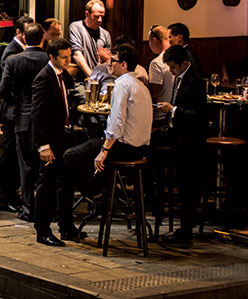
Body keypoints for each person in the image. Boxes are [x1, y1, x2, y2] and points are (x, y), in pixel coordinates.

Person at [65, 44, 152, 199]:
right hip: (141, 147)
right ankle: (106, 191)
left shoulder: (121, 84)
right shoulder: (141, 86)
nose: (109, 64)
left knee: (71, 156)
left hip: (124, 147)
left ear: (124, 65)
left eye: (113, 61)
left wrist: (104, 151)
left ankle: (96, 195)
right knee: (88, 146)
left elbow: (117, 122)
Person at [31, 37, 82, 246]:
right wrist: (43, 145)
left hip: (65, 135)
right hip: (50, 139)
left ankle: (66, 226)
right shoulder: (43, 78)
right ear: (52, 57)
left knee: (67, 183)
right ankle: (42, 230)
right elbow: (38, 114)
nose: (68, 61)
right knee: (47, 185)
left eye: (69, 56)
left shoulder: (64, 75)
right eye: (64, 57)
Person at [156, 44, 207, 245]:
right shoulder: (181, 77)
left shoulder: (195, 81)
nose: (171, 71)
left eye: (173, 67)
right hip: (177, 136)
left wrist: (173, 110)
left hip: (190, 141)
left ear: (184, 63)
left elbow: (199, 116)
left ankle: (186, 232)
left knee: (188, 186)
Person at [0, 22, 47, 222]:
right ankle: (41, 206)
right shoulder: (47, 59)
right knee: (42, 166)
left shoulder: (15, 60)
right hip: (42, 117)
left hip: (22, 116)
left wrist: (14, 102)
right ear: (42, 39)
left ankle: (28, 208)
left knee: (25, 164)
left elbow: (2, 89)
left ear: (25, 38)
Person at [68, 0, 111, 78]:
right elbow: (77, 54)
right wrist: (91, 76)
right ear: (87, 14)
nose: (100, 20)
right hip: (81, 79)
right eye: (96, 16)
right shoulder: (76, 27)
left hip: (100, 78)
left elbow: (108, 61)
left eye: (102, 17)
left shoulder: (105, 34)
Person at [146, 25, 173, 125]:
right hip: (173, 113)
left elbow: (154, 93)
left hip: (159, 115)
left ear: (154, 40)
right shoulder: (176, 57)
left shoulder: (157, 63)